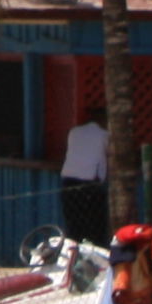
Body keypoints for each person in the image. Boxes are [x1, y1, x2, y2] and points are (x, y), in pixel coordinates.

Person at [58, 104, 111, 246]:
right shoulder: (104, 135)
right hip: (90, 182)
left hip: (68, 181)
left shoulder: (74, 132)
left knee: (74, 225)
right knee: (96, 225)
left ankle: (74, 253)